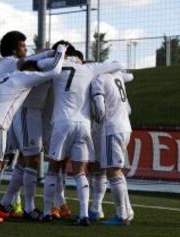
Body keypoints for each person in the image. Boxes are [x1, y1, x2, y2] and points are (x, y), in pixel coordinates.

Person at [0, 44, 67, 223]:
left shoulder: (9, 75)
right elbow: (54, 71)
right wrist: (60, 51)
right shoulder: (25, 77)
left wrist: (47, 53)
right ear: (32, 72)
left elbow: (26, 62)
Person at [43, 41, 124, 226]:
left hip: (62, 123)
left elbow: (40, 64)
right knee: (80, 171)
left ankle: (48, 212)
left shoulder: (57, 65)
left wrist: (54, 55)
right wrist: (92, 67)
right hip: (84, 125)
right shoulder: (89, 68)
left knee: (54, 168)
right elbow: (119, 65)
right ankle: (84, 215)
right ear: (79, 58)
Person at [91, 70, 134, 225]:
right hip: (125, 127)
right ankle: (127, 211)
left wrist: (100, 121)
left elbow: (100, 109)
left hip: (111, 128)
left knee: (113, 171)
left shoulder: (99, 79)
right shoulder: (117, 77)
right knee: (116, 170)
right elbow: (129, 109)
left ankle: (121, 215)